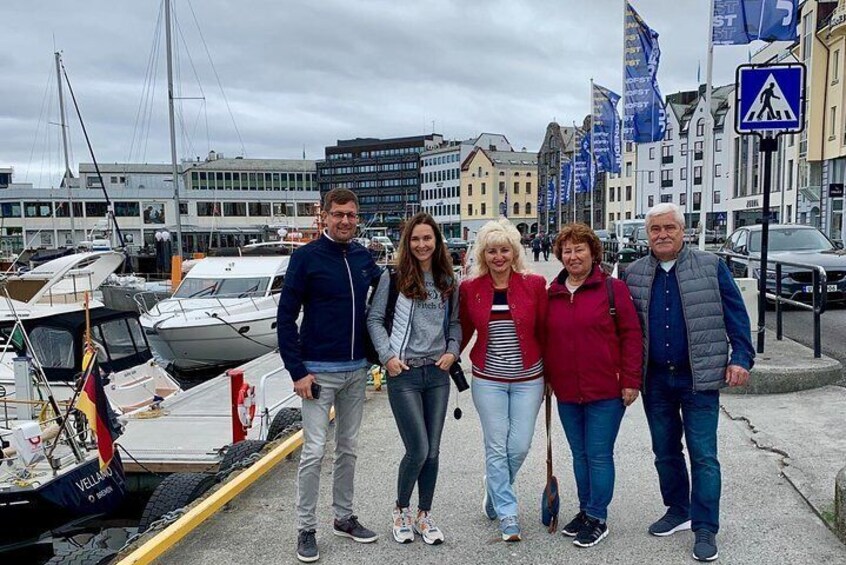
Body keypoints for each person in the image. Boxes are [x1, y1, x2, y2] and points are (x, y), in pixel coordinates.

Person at [623, 203, 754, 562]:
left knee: (704, 455)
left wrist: (741, 357)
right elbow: (624, 329)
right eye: (655, 229)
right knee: (665, 452)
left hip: (699, 378)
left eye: (669, 228)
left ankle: (705, 526)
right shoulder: (632, 273)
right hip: (656, 380)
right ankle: (678, 509)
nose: (662, 235)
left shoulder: (712, 267)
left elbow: (736, 316)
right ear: (646, 234)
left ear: (684, 232)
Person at [277, 188, 383, 563]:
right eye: (338, 214)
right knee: (314, 451)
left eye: (351, 215)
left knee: (349, 449)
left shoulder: (363, 258)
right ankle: (306, 528)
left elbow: (391, 297)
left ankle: (344, 517)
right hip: (317, 373)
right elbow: (285, 318)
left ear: (358, 217)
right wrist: (297, 371)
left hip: (356, 370)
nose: (344, 221)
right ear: (324, 216)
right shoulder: (305, 259)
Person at [545, 223, 642, 548]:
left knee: (598, 454)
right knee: (579, 454)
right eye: (567, 251)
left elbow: (631, 336)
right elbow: (547, 339)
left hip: (606, 390)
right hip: (568, 391)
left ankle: (598, 516)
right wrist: (547, 378)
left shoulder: (613, 289)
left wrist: (630, 380)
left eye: (579, 250)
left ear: (593, 252)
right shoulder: (553, 293)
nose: (573, 256)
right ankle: (586, 511)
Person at [367, 212, 461, 546]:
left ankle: (424, 514)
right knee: (418, 448)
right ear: (408, 243)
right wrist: (387, 357)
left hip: (436, 373)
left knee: (433, 451)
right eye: (415, 239)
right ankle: (401, 509)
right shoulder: (392, 279)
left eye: (427, 238)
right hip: (403, 373)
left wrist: (452, 351)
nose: (422, 244)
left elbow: (455, 324)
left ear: (437, 242)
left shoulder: (448, 281)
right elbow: (375, 319)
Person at [459, 218, 548, 542]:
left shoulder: (534, 284)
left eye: (504, 250)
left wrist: (552, 374)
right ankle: (508, 513)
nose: (499, 257)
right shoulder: (470, 288)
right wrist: (447, 353)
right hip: (488, 379)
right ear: (484, 254)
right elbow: (464, 329)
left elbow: (544, 331)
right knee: (496, 446)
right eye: (492, 251)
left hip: (528, 378)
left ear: (514, 252)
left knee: (520, 445)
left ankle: (494, 488)